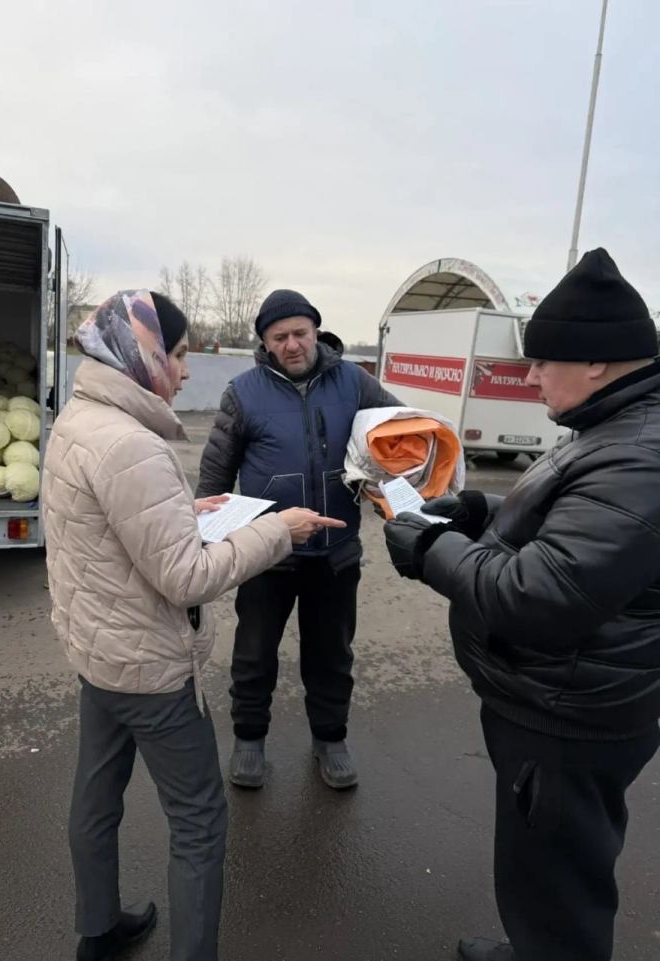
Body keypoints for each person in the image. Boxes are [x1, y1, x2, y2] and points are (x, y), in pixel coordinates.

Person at [43, 289, 344, 961]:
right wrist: (277, 532)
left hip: (99, 650)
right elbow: (185, 578)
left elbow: (111, 530)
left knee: (97, 795)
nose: (183, 371)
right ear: (142, 354)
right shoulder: (132, 445)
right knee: (200, 823)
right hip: (151, 668)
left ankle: (98, 929)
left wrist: (185, 506)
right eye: (176, 355)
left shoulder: (80, 418)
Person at [384, 249, 660, 961]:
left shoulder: (641, 454)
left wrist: (429, 551)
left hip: (569, 718)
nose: (529, 376)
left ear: (595, 362)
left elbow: (541, 595)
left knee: (560, 882)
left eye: (541, 362)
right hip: (563, 698)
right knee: (540, 867)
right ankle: (531, 943)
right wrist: (482, 509)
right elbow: (579, 521)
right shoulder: (620, 430)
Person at [196, 289, 401, 790]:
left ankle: (330, 739)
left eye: (300, 333)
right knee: (254, 652)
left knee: (332, 653)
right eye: (280, 336)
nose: (292, 344)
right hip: (268, 551)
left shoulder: (354, 381)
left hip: (336, 552)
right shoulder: (243, 392)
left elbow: (401, 431)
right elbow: (215, 475)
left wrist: (386, 479)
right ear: (265, 343)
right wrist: (206, 536)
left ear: (316, 332)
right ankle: (249, 738)